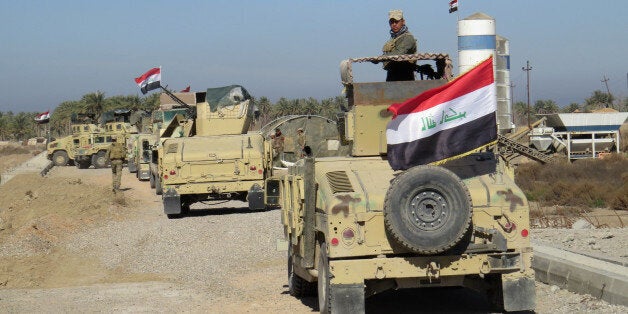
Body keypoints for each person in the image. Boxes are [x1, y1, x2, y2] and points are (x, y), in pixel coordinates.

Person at [381, 9, 418, 81]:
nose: (394, 24)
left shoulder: (408, 38)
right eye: (392, 22)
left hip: (405, 77)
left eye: (396, 22)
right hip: (391, 76)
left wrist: (381, 58)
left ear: (403, 22)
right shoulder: (393, 40)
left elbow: (399, 53)